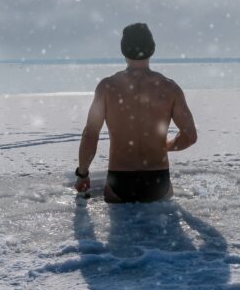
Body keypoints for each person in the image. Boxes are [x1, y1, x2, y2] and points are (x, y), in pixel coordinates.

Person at [74, 23, 198, 203]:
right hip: (158, 181)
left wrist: (83, 174)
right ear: (152, 49)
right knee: (163, 198)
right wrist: (166, 146)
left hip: (120, 181)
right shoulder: (170, 88)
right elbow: (190, 136)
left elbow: (90, 135)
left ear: (123, 49)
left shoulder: (107, 87)